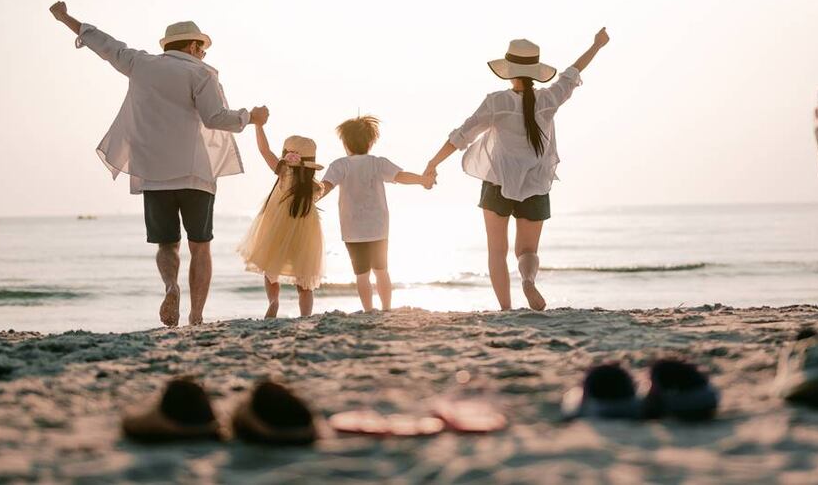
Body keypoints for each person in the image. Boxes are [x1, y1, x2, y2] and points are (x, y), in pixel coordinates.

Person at [49, 1, 268, 327]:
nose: (203, 56)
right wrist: (250, 117)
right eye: (202, 50)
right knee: (200, 246)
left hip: (153, 173)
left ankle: (170, 286)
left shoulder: (140, 63)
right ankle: (196, 316)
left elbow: (104, 44)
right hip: (195, 173)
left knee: (167, 244)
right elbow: (214, 118)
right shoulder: (200, 73)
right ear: (194, 46)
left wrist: (66, 18)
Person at [424, 28, 611, 310]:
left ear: (509, 71)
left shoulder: (497, 102)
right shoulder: (549, 99)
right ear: (535, 72)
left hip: (498, 181)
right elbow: (572, 72)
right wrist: (596, 45)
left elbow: (462, 136)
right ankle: (527, 280)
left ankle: (506, 309)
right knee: (527, 251)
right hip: (536, 183)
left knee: (497, 252)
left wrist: (433, 164)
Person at [320, 116, 433, 312]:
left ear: (345, 143)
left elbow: (325, 187)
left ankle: (368, 310)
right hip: (378, 227)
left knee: (361, 274)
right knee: (382, 271)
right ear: (371, 142)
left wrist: (307, 199)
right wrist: (423, 180)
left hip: (352, 229)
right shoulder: (378, 163)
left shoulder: (339, 165)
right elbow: (402, 176)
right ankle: (386, 308)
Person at [238, 130, 325, 317]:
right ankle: (305, 315)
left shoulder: (283, 172)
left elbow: (264, 150)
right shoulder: (315, 186)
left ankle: (274, 301)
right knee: (305, 277)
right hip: (306, 230)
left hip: (278, 225)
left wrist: (259, 126)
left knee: (271, 267)